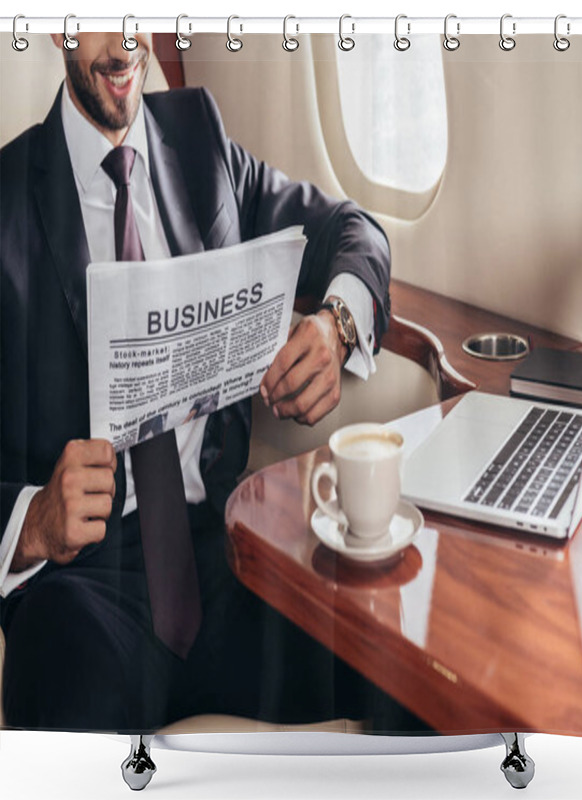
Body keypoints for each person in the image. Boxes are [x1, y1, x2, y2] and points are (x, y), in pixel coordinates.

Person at [0, 32, 404, 733]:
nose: (125, 41)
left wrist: (337, 324)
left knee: (401, 666)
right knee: (61, 680)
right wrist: (32, 522)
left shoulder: (199, 139)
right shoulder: (5, 196)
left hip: (228, 556)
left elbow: (354, 228)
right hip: (81, 588)